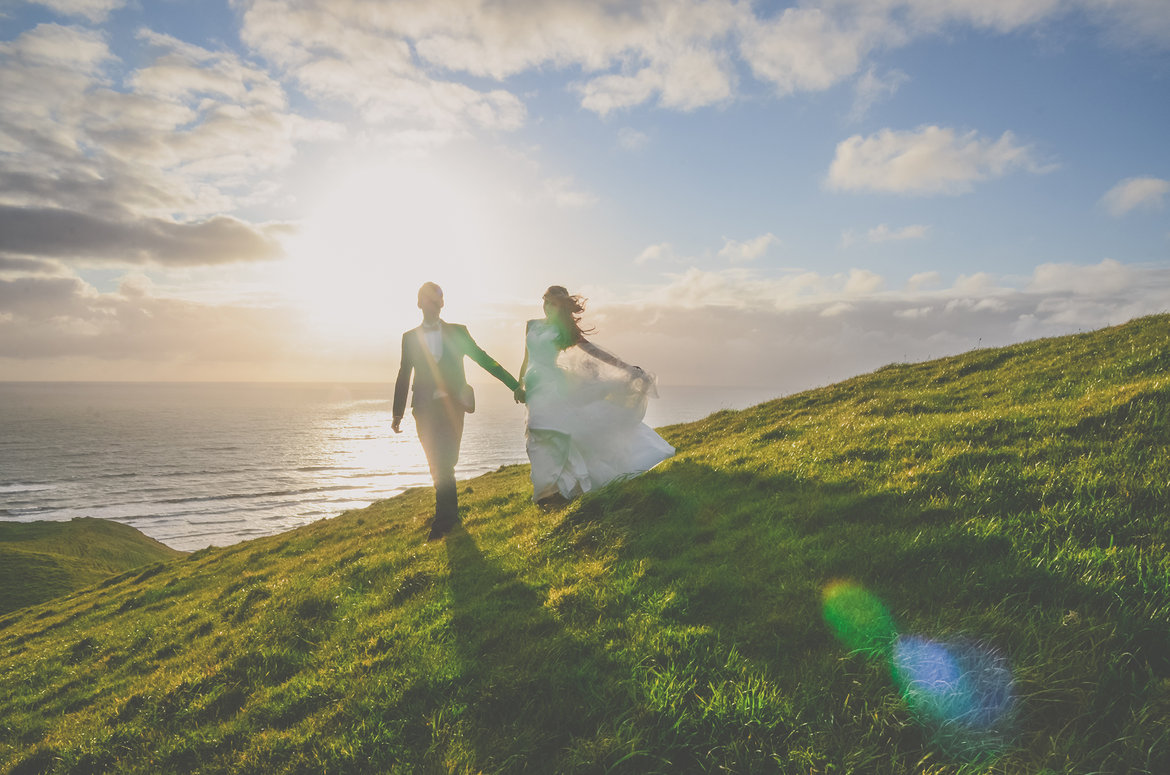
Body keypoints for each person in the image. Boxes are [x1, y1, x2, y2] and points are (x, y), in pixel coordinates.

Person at [515, 285, 674, 507]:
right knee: (539, 435)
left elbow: (594, 352)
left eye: (553, 303)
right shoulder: (531, 325)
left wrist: (626, 368)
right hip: (533, 387)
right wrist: (519, 384)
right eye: (545, 301)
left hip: (552, 386)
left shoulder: (564, 330)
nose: (547, 307)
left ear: (562, 307)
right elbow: (526, 358)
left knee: (543, 431)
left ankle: (548, 494)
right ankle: (555, 489)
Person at [393, 282, 521, 540]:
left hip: (454, 408)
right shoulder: (409, 338)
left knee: (446, 461)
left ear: (443, 303)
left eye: (439, 299)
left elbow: (485, 360)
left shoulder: (458, 333)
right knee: (438, 463)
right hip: (424, 409)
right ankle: (446, 520)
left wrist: (514, 385)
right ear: (420, 304)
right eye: (430, 300)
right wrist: (397, 413)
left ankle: (447, 519)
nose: (436, 304)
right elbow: (404, 375)